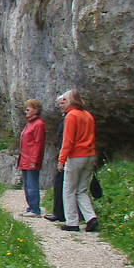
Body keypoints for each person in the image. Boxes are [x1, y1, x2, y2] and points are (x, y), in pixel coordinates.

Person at [56, 89, 98, 232]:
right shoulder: (88, 115)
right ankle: (91, 217)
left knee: (68, 189)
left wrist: (61, 160)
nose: (63, 103)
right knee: (81, 189)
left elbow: (68, 141)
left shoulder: (71, 116)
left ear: (73, 101)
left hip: (76, 156)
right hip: (90, 155)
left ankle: (72, 222)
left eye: (66, 100)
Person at [17, 99, 46, 217]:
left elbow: (38, 143)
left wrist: (34, 160)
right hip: (24, 158)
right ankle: (30, 207)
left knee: (32, 184)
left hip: (31, 159)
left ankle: (35, 209)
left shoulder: (39, 124)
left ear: (36, 110)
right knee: (27, 184)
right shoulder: (29, 124)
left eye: (28, 109)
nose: (26, 112)